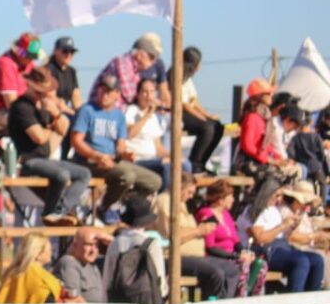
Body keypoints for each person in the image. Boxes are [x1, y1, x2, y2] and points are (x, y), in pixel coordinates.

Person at [6, 66, 90, 224]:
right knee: (62, 175)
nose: (42, 94)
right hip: (26, 161)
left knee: (84, 174)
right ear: (29, 85)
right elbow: (38, 137)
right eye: (39, 90)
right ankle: (51, 211)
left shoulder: (43, 107)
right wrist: (52, 128)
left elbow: (63, 127)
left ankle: (60, 210)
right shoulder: (21, 107)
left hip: (45, 160)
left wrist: (56, 114)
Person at [71, 74, 163, 217]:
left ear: (117, 95)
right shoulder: (87, 110)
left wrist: (125, 154)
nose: (104, 94)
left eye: (109, 91)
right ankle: (104, 208)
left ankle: (121, 204)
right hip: (89, 161)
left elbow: (120, 146)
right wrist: (96, 156)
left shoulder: (118, 115)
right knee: (127, 176)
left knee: (154, 181)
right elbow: (76, 141)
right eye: (102, 90)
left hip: (112, 161)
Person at [154, 172, 238, 299]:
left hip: (195, 257)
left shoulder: (181, 203)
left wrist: (201, 229)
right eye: (189, 192)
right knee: (216, 273)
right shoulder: (165, 202)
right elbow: (170, 236)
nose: (191, 196)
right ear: (179, 187)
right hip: (173, 256)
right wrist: (199, 231)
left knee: (232, 269)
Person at [250, 184, 325, 304]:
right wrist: (283, 226)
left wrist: (291, 227)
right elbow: (259, 239)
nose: (280, 199)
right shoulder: (264, 212)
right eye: (277, 195)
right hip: (267, 250)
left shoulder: (281, 211)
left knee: (317, 260)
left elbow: (288, 238)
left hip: (282, 247)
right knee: (301, 261)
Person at [236, 79, 302, 220]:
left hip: (259, 160)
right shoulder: (253, 117)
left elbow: (267, 146)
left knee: (289, 172)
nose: (272, 97)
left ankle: (276, 210)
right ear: (260, 96)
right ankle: (256, 214)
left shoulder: (264, 117)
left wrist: (279, 159)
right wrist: (269, 160)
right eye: (269, 94)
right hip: (248, 162)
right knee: (277, 175)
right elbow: (247, 146)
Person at [194, 178, 266, 297]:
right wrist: (236, 256)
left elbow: (235, 240)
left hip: (231, 255)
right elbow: (210, 247)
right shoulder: (207, 214)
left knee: (261, 264)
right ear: (220, 199)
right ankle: (237, 300)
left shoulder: (226, 214)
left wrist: (245, 252)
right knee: (243, 265)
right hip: (216, 257)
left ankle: (254, 299)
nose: (233, 199)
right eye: (230, 196)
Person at [124, 79, 188, 190]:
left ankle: (183, 196)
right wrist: (146, 115)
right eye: (145, 92)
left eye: (152, 92)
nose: (148, 96)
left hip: (153, 158)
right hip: (138, 159)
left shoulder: (153, 117)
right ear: (138, 94)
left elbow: (158, 148)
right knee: (165, 166)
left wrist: (173, 155)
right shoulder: (132, 111)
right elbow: (130, 133)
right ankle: (163, 197)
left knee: (185, 164)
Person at [175, 47, 224, 175]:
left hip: (189, 111)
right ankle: (195, 163)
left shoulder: (188, 78)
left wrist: (207, 116)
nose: (200, 66)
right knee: (207, 128)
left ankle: (202, 162)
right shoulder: (176, 75)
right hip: (179, 113)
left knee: (218, 126)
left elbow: (194, 101)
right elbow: (184, 104)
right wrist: (201, 118)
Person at [88, 35, 165, 110]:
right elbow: (129, 94)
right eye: (151, 57)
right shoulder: (122, 62)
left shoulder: (136, 72)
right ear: (139, 55)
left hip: (114, 112)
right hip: (98, 111)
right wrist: (150, 99)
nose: (153, 62)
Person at [0, 32, 39, 125]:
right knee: (25, 120)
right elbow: (12, 104)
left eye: (33, 56)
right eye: (29, 56)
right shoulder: (5, 64)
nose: (31, 59)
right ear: (19, 52)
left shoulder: (29, 64)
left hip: (22, 108)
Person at [47, 36, 82, 160]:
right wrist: (70, 111)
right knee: (67, 121)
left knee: (82, 121)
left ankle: (76, 157)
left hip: (66, 110)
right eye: (65, 51)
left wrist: (82, 113)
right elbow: (52, 98)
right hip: (51, 110)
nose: (69, 55)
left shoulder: (71, 72)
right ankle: (53, 155)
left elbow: (76, 98)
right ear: (56, 51)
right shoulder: (49, 69)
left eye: (72, 52)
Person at [283, 106, 329, 195]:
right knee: (322, 184)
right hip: (315, 166)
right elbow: (321, 153)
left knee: (307, 186)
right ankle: (321, 202)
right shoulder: (316, 137)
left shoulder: (295, 138)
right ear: (311, 122)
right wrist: (319, 162)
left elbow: (291, 153)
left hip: (303, 166)